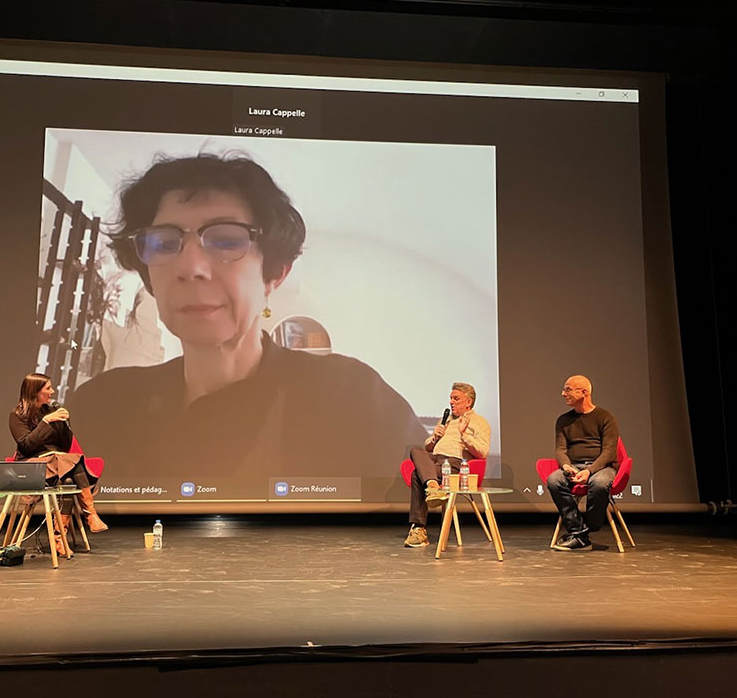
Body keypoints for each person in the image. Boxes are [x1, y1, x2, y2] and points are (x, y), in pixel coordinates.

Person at [69, 153, 425, 490]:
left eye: (225, 241)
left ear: (274, 274)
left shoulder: (354, 400)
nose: (191, 268)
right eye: (164, 243)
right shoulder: (100, 406)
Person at [8, 373, 109, 550]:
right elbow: (26, 445)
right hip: (32, 465)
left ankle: (58, 539)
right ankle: (90, 513)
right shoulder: (17, 415)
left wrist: (65, 424)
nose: (52, 392)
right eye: (48, 388)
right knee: (70, 460)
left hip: (58, 464)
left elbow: (65, 445)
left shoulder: (50, 410)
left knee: (69, 480)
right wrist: (46, 422)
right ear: (35, 392)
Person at [403, 382, 490, 548]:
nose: (451, 402)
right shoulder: (446, 420)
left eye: (456, 399)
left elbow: (483, 452)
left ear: (468, 402)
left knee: (416, 474)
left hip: (453, 463)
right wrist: (435, 437)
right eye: (450, 398)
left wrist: (465, 435)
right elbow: (428, 446)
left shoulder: (479, 422)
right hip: (434, 460)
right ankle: (433, 486)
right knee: (415, 449)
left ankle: (419, 529)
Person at [545, 375, 619, 551]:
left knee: (600, 483)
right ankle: (579, 531)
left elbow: (609, 451)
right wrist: (566, 466)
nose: (563, 394)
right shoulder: (563, 420)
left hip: (600, 467)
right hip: (574, 466)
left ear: (584, 392)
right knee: (554, 480)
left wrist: (590, 471)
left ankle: (585, 530)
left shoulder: (605, 417)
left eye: (568, 389)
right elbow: (561, 449)